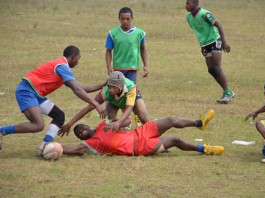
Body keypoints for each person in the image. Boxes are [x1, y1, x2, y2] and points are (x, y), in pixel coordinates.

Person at [0, 46, 106, 155]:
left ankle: (45, 146)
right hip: (27, 92)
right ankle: (2, 130)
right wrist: (96, 104)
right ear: (72, 56)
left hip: (36, 95)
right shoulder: (62, 66)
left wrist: (104, 85)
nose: (78, 62)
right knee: (38, 125)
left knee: (59, 116)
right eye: (78, 58)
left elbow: (81, 88)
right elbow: (77, 90)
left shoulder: (62, 66)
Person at [61, 109, 225, 157]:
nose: (81, 131)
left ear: (88, 126)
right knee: (175, 140)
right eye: (79, 133)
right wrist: (52, 146)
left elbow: (127, 121)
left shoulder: (103, 125)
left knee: (171, 119)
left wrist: (116, 124)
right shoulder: (92, 144)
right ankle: (205, 149)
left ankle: (199, 123)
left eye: (81, 127)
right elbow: (72, 149)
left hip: (140, 132)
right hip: (140, 147)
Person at [59, 71, 148, 136]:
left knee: (144, 119)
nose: (111, 90)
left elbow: (129, 109)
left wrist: (119, 122)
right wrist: (69, 124)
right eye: (109, 87)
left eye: (114, 88)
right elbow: (88, 108)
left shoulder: (130, 88)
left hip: (132, 100)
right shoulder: (106, 92)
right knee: (112, 121)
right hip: (114, 102)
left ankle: (151, 136)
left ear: (120, 86)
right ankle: (120, 135)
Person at [105, 7, 148, 126]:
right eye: (122, 19)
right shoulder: (113, 33)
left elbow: (143, 49)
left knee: (129, 93)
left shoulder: (139, 33)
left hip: (131, 70)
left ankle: (132, 119)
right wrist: (109, 66)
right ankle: (120, 120)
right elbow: (108, 51)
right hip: (117, 70)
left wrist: (146, 65)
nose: (125, 21)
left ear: (132, 18)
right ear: (119, 18)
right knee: (115, 94)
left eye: (127, 19)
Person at [185, 0, 235, 104]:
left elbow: (219, 25)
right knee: (211, 69)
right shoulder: (188, 17)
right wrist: (202, 46)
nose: (186, 5)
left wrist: (223, 42)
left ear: (195, 4)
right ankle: (228, 92)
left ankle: (227, 93)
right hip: (206, 44)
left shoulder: (205, 14)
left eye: (188, 3)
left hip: (214, 41)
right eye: (186, 3)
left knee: (216, 67)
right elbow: (199, 32)